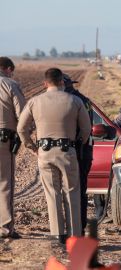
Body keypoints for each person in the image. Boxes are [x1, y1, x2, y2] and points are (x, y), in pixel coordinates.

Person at [17, 68, 91, 246]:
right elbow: (87, 128)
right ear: (62, 82)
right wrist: (78, 143)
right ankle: (74, 234)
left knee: (52, 193)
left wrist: (32, 147)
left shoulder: (35, 101)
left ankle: (57, 234)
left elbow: (21, 128)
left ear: (45, 83)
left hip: (45, 152)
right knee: (72, 192)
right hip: (68, 151)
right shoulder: (75, 101)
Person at [63, 74, 93, 233]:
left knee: (73, 191)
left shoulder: (71, 102)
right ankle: (79, 226)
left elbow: (83, 128)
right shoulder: (84, 100)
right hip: (85, 151)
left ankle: (72, 227)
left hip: (77, 150)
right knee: (80, 191)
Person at [0, 57, 25, 239]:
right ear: (7, 69)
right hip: (3, 140)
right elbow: (22, 115)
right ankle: (5, 228)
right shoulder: (10, 85)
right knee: (4, 184)